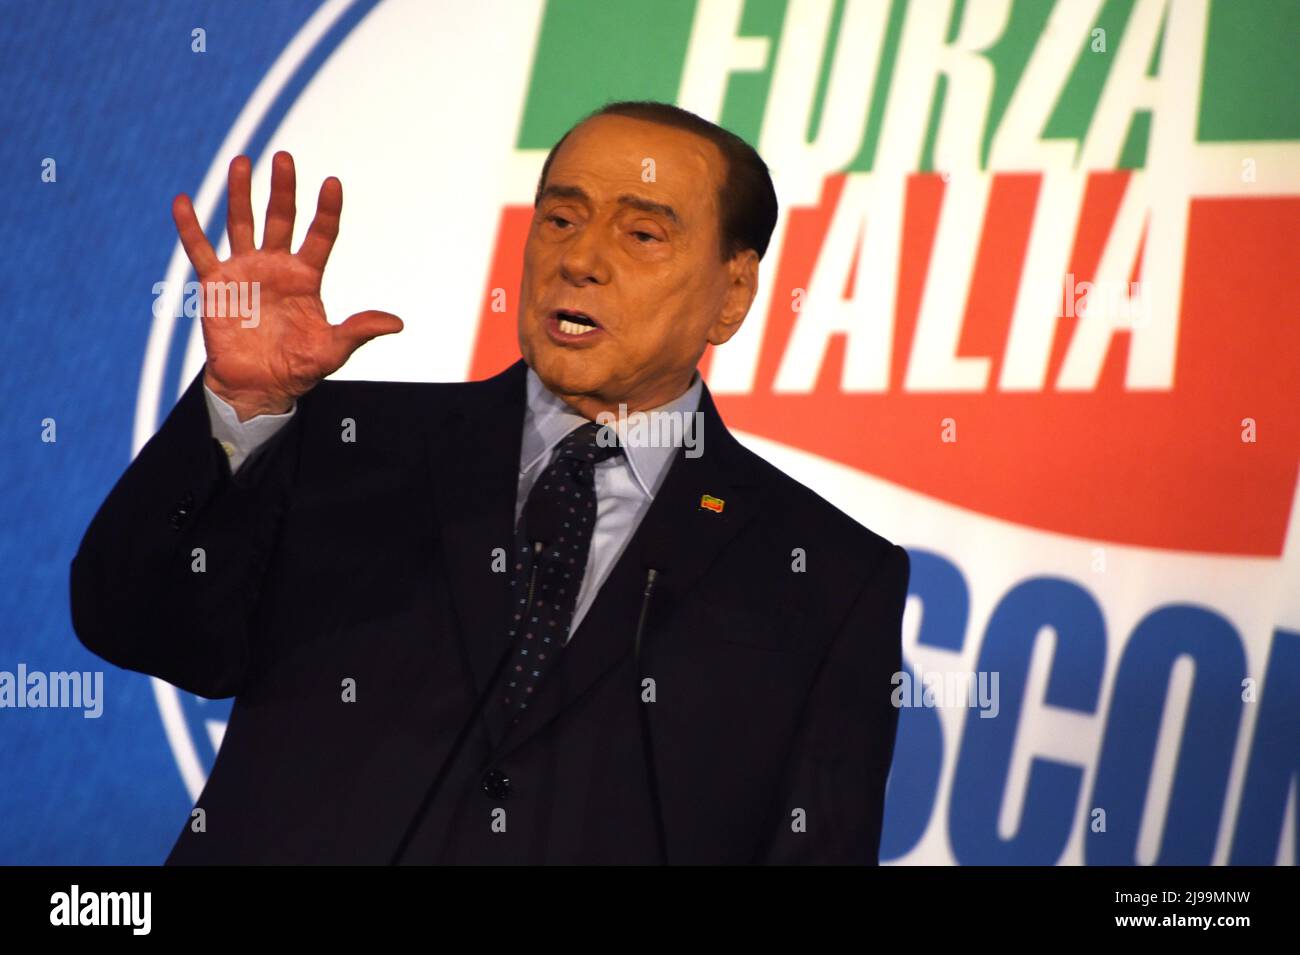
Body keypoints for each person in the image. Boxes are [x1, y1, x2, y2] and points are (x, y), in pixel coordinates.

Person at [70, 100, 909, 864]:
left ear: (733, 293)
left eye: (641, 234)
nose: (580, 258)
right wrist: (238, 407)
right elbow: (131, 622)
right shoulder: (341, 443)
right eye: (560, 218)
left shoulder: (828, 576)